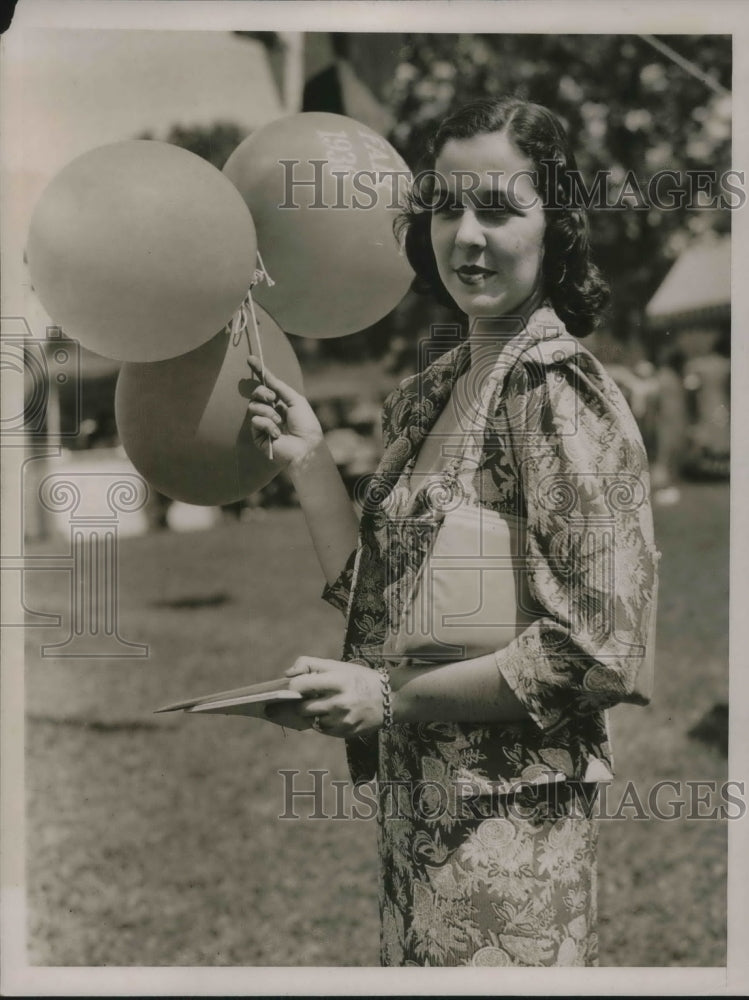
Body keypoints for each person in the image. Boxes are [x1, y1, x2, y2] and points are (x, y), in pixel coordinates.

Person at [246, 97, 659, 967]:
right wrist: (310, 460)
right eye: (445, 205)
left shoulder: (558, 391)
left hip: (510, 843)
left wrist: (387, 698)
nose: (466, 236)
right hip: (418, 818)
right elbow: (390, 602)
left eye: (501, 210)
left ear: (556, 226)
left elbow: (597, 650)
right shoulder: (426, 394)